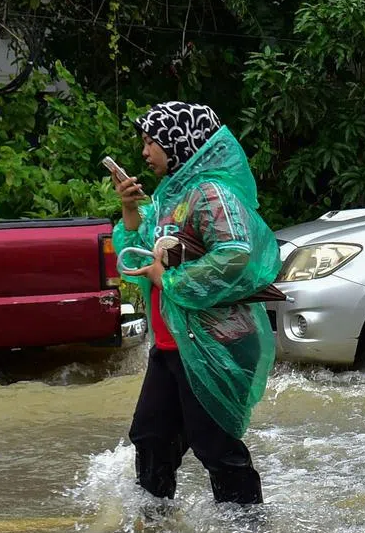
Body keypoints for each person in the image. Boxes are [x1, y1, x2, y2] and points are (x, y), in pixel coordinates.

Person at [110, 101, 281, 507]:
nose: (144, 152)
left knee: (214, 443)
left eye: (152, 141)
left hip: (214, 340)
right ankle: (153, 529)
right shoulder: (172, 196)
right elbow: (137, 253)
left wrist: (167, 277)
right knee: (151, 437)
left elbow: (235, 254)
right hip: (172, 344)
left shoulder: (210, 193)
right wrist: (130, 209)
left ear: (180, 142)